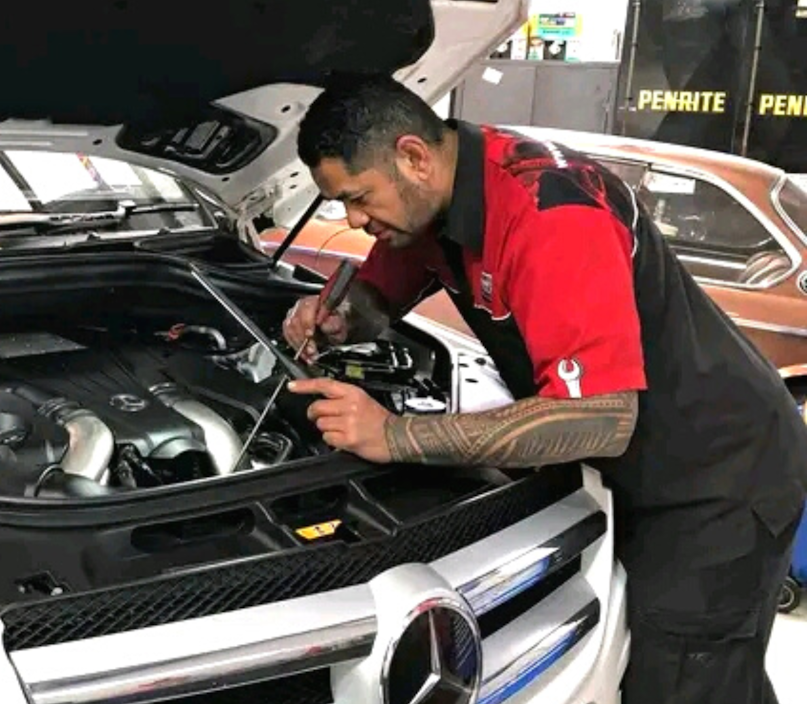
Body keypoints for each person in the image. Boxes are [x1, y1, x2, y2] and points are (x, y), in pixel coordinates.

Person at [282, 73, 807, 703]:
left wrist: (395, 435)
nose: (353, 220)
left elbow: (599, 417)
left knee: (683, 678)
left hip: (717, 478)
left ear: (413, 157)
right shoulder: (429, 203)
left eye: (359, 197)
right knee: (713, 676)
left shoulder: (550, 213)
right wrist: (341, 319)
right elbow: (378, 294)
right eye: (339, 203)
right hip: (648, 468)